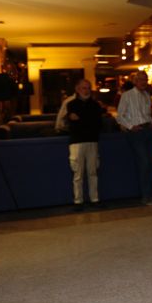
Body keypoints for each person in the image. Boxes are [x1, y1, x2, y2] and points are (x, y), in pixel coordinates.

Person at [116, 71, 152, 206]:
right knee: (144, 163)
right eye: (140, 80)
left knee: (151, 163)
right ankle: (146, 196)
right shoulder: (127, 95)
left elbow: (147, 114)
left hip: (147, 130)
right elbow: (119, 116)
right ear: (135, 81)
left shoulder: (147, 95)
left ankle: (151, 193)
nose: (143, 82)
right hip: (136, 132)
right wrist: (130, 126)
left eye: (145, 80)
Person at [66, 79, 103, 210]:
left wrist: (80, 119)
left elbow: (98, 123)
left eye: (88, 88)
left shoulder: (95, 105)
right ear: (77, 89)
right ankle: (78, 201)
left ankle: (95, 199)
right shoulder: (71, 105)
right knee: (78, 174)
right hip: (76, 142)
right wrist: (86, 120)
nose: (86, 90)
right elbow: (73, 123)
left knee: (92, 172)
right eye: (83, 88)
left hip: (92, 141)